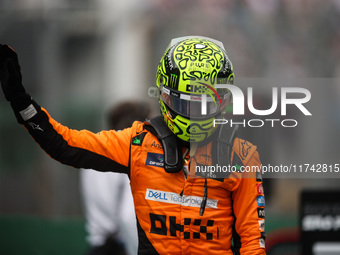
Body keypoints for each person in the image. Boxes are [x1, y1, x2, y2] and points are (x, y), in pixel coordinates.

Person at [0, 36, 266, 254]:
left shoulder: (240, 156)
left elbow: (253, 242)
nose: (194, 113)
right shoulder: (137, 143)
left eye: (204, 104)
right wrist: (20, 102)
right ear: (164, 96)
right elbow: (65, 145)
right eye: (185, 103)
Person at [81, 101, 151, 255]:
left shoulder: (95, 153)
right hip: (121, 246)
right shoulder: (131, 157)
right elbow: (128, 216)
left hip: (97, 245)